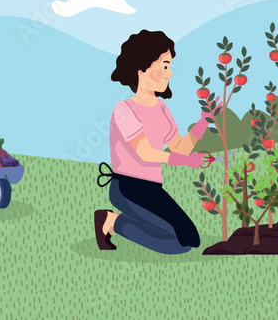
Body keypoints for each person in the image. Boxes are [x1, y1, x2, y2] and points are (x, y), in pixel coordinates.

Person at [94, 30, 221, 254]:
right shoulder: (124, 109)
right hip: (127, 187)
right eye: (164, 66)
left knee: (191, 239)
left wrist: (202, 124)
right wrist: (184, 161)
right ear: (142, 67)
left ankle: (117, 222)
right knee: (176, 244)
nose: (169, 73)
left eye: (169, 66)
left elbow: (179, 147)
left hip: (153, 187)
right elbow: (144, 152)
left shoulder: (162, 108)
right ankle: (112, 222)